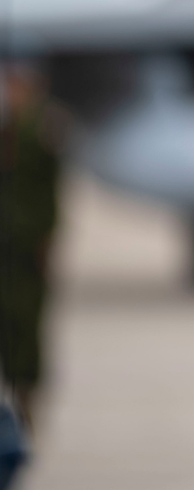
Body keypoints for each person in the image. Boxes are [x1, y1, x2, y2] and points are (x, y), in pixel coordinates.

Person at [0, 63, 64, 435]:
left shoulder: (43, 130)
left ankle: (25, 408)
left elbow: (52, 192)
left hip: (26, 249)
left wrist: (47, 242)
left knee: (26, 330)